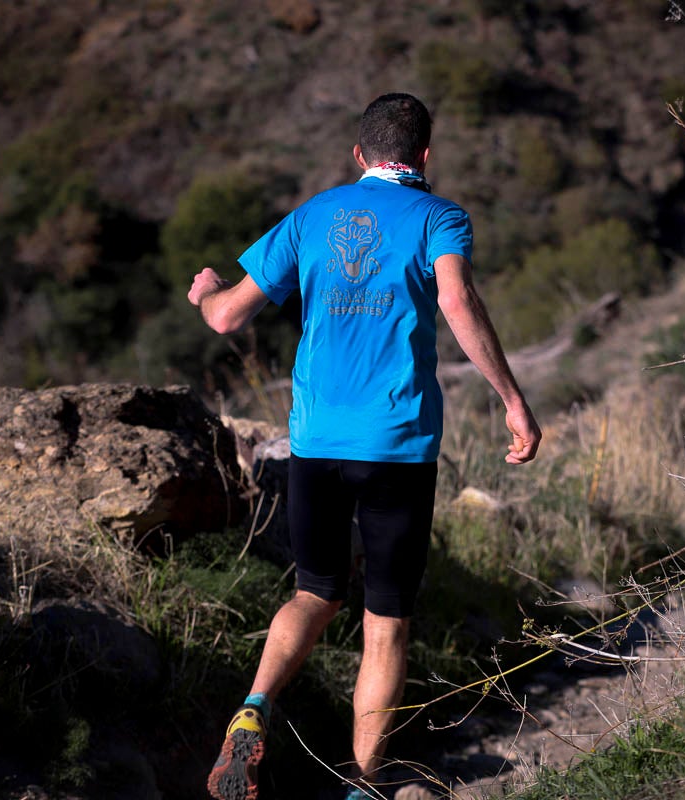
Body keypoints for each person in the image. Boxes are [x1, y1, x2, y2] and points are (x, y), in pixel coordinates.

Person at [190, 93, 541, 800]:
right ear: (426, 157)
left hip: (316, 444)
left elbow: (228, 316)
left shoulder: (311, 215)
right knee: (386, 622)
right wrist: (512, 399)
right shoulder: (441, 218)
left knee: (314, 591)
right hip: (398, 448)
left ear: (359, 156)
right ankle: (364, 784)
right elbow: (457, 302)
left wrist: (204, 291)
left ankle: (253, 710)